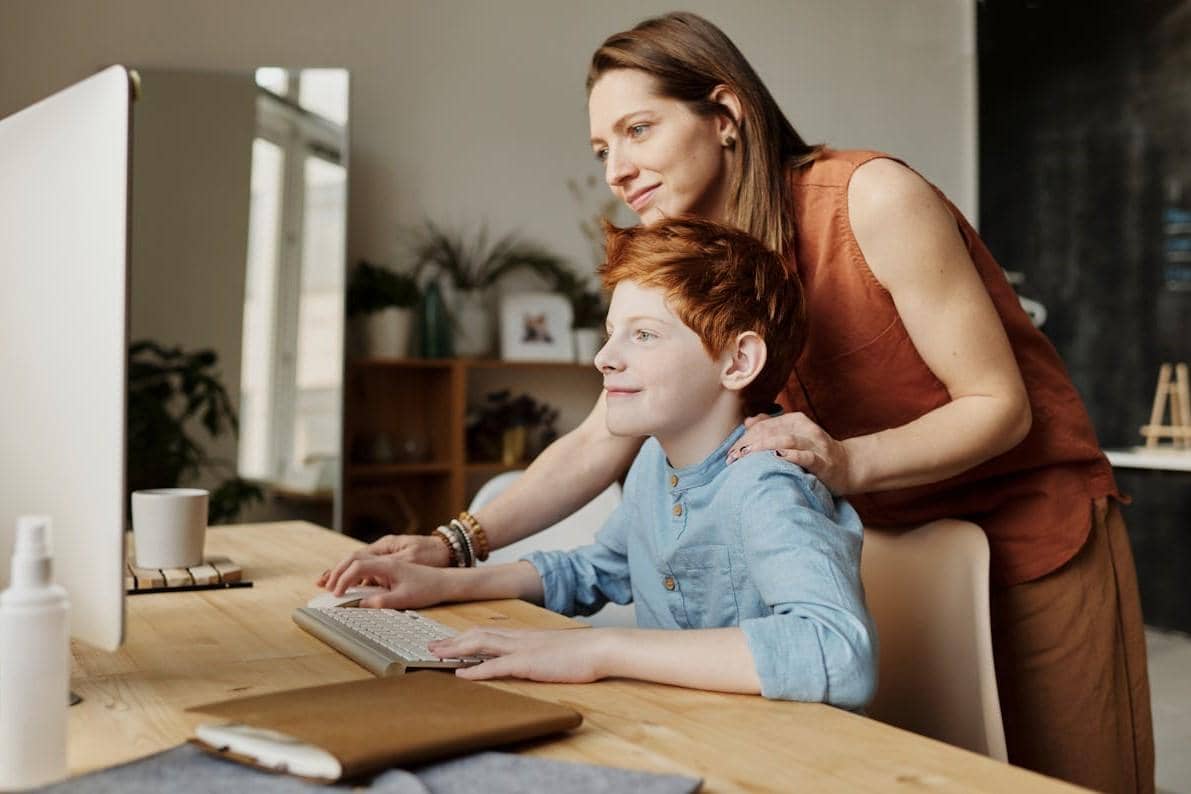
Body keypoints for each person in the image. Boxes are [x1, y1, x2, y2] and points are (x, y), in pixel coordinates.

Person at [321, 12, 1152, 791]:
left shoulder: (870, 197)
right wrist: (451, 543)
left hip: (1029, 531)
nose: (615, 168)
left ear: (725, 113)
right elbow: (598, 437)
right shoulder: (690, 256)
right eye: (600, 147)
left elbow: (996, 404)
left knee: (1066, 779)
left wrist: (845, 460)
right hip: (880, 540)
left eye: (638, 129)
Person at [325, 218, 877, 707]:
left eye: (643, 335)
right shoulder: (652, 467)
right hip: (676, 727)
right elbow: (597, 570)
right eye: (613, 332)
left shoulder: (767, 484)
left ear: (737, 361)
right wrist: (442, 583)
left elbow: (837, 651)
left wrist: (600, 649)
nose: (604, 357)